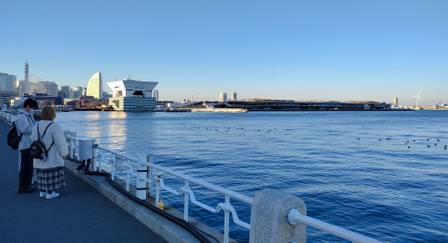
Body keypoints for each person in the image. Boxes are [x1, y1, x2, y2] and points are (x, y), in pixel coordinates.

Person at [30, 106, 68, 199]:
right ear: (53, 115)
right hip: (51, 155)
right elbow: (60, 142)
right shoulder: (54, 126)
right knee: (51, 174)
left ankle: (43, 191)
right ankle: (50, 193)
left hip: (39, 154)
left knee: (41, 173)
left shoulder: (37, 125)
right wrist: (64, 153)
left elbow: (32, 138)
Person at [15, 98, 39, 194]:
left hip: (29, 145)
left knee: (28, 167)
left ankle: (26, 186)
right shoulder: (22, 117)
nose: (34, 110)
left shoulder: (28, 116)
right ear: (27, 106)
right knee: (26, 167)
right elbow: (24, 130)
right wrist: (36, 128)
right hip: (25, 145)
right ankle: (23, 187)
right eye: (33, 107)